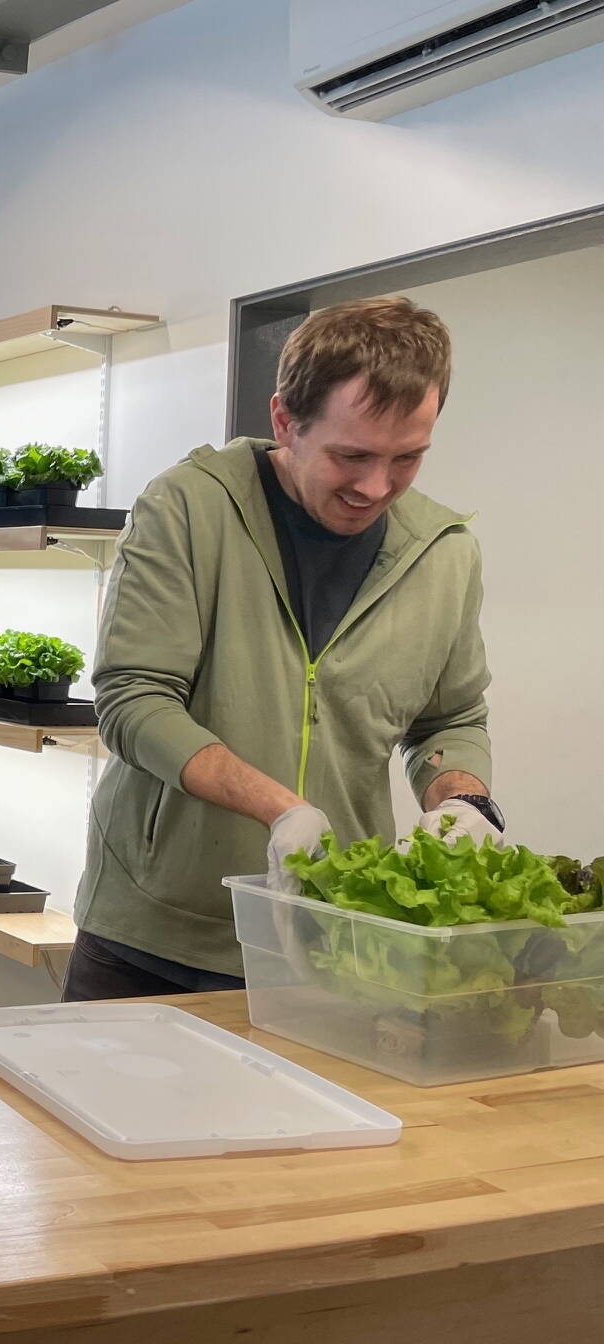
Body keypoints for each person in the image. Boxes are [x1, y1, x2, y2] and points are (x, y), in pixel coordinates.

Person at [68, 297, 497, 1001]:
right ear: (283, 422)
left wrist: (463, 800)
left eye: (407, 459)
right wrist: (281, 809)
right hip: (154, 937)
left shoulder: (445, 554)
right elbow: (133, 698)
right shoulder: (188, 508)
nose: (376, 487)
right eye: (350, 455)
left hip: (335, 939)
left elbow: (450, 720)